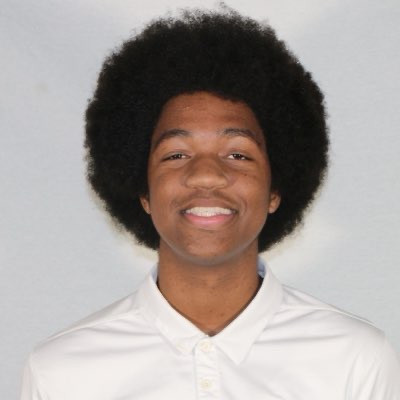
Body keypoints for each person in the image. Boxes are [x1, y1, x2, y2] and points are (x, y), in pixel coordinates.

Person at [20, 7, 400, 400]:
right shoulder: (61, 372)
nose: (206, 175)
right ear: (143, 191)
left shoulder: (355, 360)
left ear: (275, 190)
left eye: (237, 154)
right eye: (176, 154)